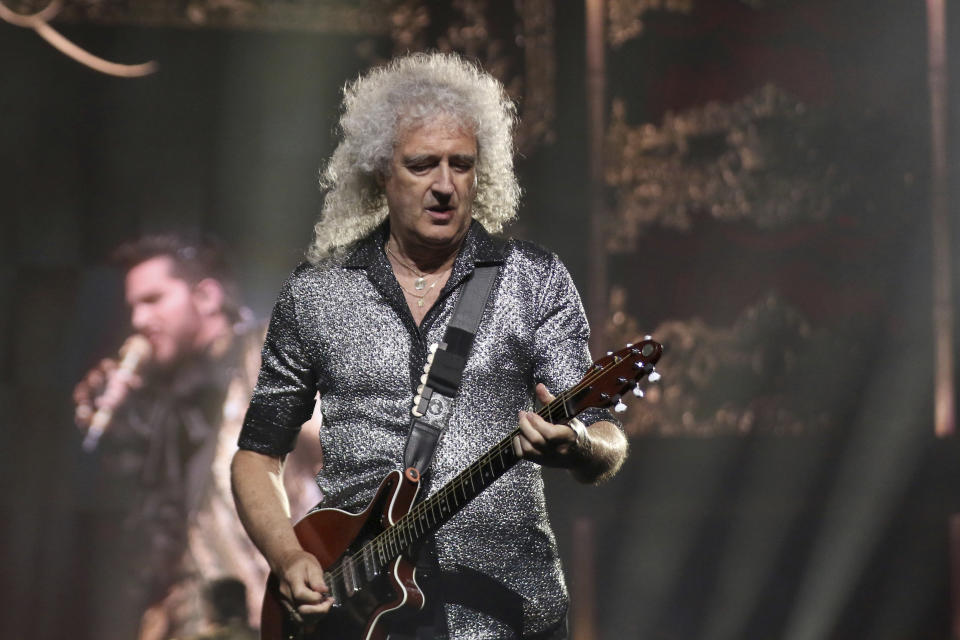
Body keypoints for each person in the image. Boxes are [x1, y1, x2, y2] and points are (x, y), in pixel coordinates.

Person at [231, 52, 628, 639]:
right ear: (380, 173)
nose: (444, 186)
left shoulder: (534, 280)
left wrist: (578, 446)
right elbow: (257, 457)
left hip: (505, 612)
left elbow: (605, 436)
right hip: (355, 612)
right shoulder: (318, 292)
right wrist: (289, 559)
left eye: (460, 165)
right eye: (421, 165)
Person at [73, 235, 321, 640]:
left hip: (281, 615)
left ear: (206, 297)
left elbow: (352, 458)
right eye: (133, 305)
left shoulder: (271, 354)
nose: (138, 320)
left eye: (153, 300)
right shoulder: (168, 403)